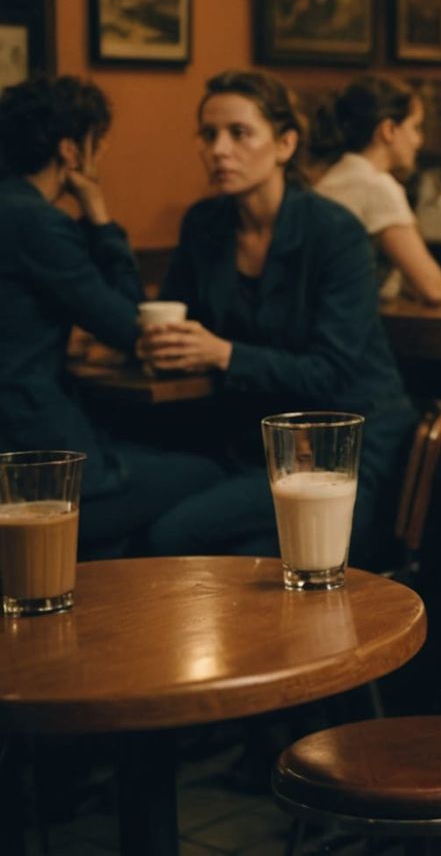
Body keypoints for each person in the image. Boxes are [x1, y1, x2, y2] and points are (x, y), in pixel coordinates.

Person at [137, 71, 416, 562]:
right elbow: (185, 327)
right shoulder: (205, 225)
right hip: (252, 445)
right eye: (208, 135)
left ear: (285, 144)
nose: (218, 150)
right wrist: (155, 345)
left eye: (238, 133)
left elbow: (330, 372)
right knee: (142, 522)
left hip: (343, 448)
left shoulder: (335, 233)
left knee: (179, 539)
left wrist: (223, 354)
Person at [0, 77, 217, 555]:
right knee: (208, 473)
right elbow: (132, 326)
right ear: (71, 152)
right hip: (33, 460)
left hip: (23, 444)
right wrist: (98, 213)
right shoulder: (35, 221)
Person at [312, 74, 441, 305]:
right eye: (415, 127)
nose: (418, 141)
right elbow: (433, 287)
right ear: (388, 130)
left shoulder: (332, 177)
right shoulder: (377, 186)